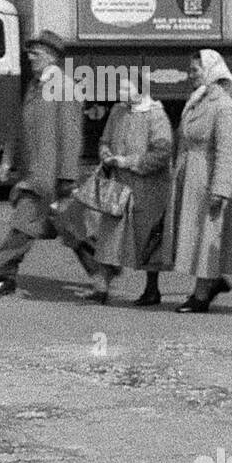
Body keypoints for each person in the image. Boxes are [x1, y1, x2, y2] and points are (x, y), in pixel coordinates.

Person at [0, 31, 96, 297]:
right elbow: (18, 127)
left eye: (36, 52)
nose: (30, 56)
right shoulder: (35, 86)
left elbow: (71, 135)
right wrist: (7, 160)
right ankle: (103, 273)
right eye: (30, 51)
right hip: (34, 176)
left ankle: (1, 277)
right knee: (71, 230)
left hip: (51, 179)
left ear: (52, 57)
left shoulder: (65, 88)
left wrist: (66, 179)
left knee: (24, 228)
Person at [86, 77, 174, 306]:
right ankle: (102, 287)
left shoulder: (156, 115)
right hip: (119, 185)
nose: (121, 91)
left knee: (148, 237)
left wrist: (127, 162)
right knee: (110, 234)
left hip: (149, 189)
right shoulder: (117, 111)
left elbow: (162, 153)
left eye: (127, 87)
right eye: (120, 87)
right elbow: (104, 140)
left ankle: (152, 289)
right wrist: (105, 154)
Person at [168, 48, 232, 313]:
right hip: (190, 175)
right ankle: (211, 282)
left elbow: (225, 151)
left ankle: (201, 295)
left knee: (206, 233)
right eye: (190, 70)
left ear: (211, 71)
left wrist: (220, 189)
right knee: (196, 234)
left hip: (207, 176)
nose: (190, 76)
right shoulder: (196, 100)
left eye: (195, 70)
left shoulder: (224, 105)